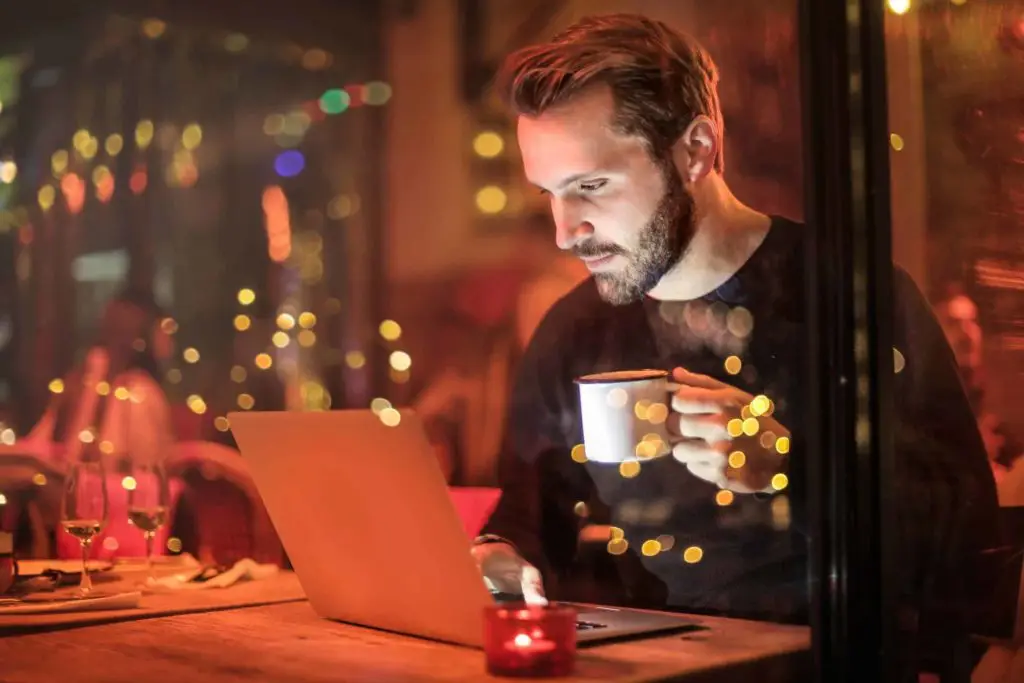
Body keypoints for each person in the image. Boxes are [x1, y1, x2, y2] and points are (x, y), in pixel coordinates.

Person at [469, 13, 999, 675]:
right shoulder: (575, 329)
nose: (565, 230)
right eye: (549, 193)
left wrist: (787, 470)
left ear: (695, 149)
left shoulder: (851, 300)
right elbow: (529, 518)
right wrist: (495, 556)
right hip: (657, 668)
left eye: (592, 185)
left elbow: (966, 542)